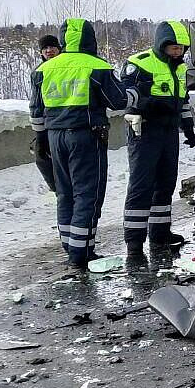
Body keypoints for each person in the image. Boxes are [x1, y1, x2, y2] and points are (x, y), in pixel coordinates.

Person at [29, 19, 129, 269]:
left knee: (65, 193)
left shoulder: (45, 69)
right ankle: (81, 252)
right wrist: (135, 92)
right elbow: (117, 101)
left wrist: (41, 137)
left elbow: (36, 109)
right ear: (90, 39)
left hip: (54, 137)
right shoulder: (96, 66)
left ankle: (69, 244)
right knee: (88, 193)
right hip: (86, 136)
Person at [121, 20, 195, 257]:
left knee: (166, 183)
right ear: (162, 44)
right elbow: (123, 97)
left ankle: (160, 233)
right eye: (173, 47)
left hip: (168, 131)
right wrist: (149, 105)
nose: (178, 52)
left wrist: (188, 126)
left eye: (182, 48)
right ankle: (134, 243)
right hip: (144, 130)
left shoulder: (181, 68)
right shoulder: (139, 64)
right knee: (141, 185)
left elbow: (182, 100)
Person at [31, 35, 62, 193]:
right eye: (45, 48)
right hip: (47, 123)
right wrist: (39, 132)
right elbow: (36, 103)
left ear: (59, 48)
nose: (49, 51)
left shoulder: (66, 67)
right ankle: (58, 189)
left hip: (64, 123)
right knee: (41, 158)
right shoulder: (38, 73)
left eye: (52, 47)